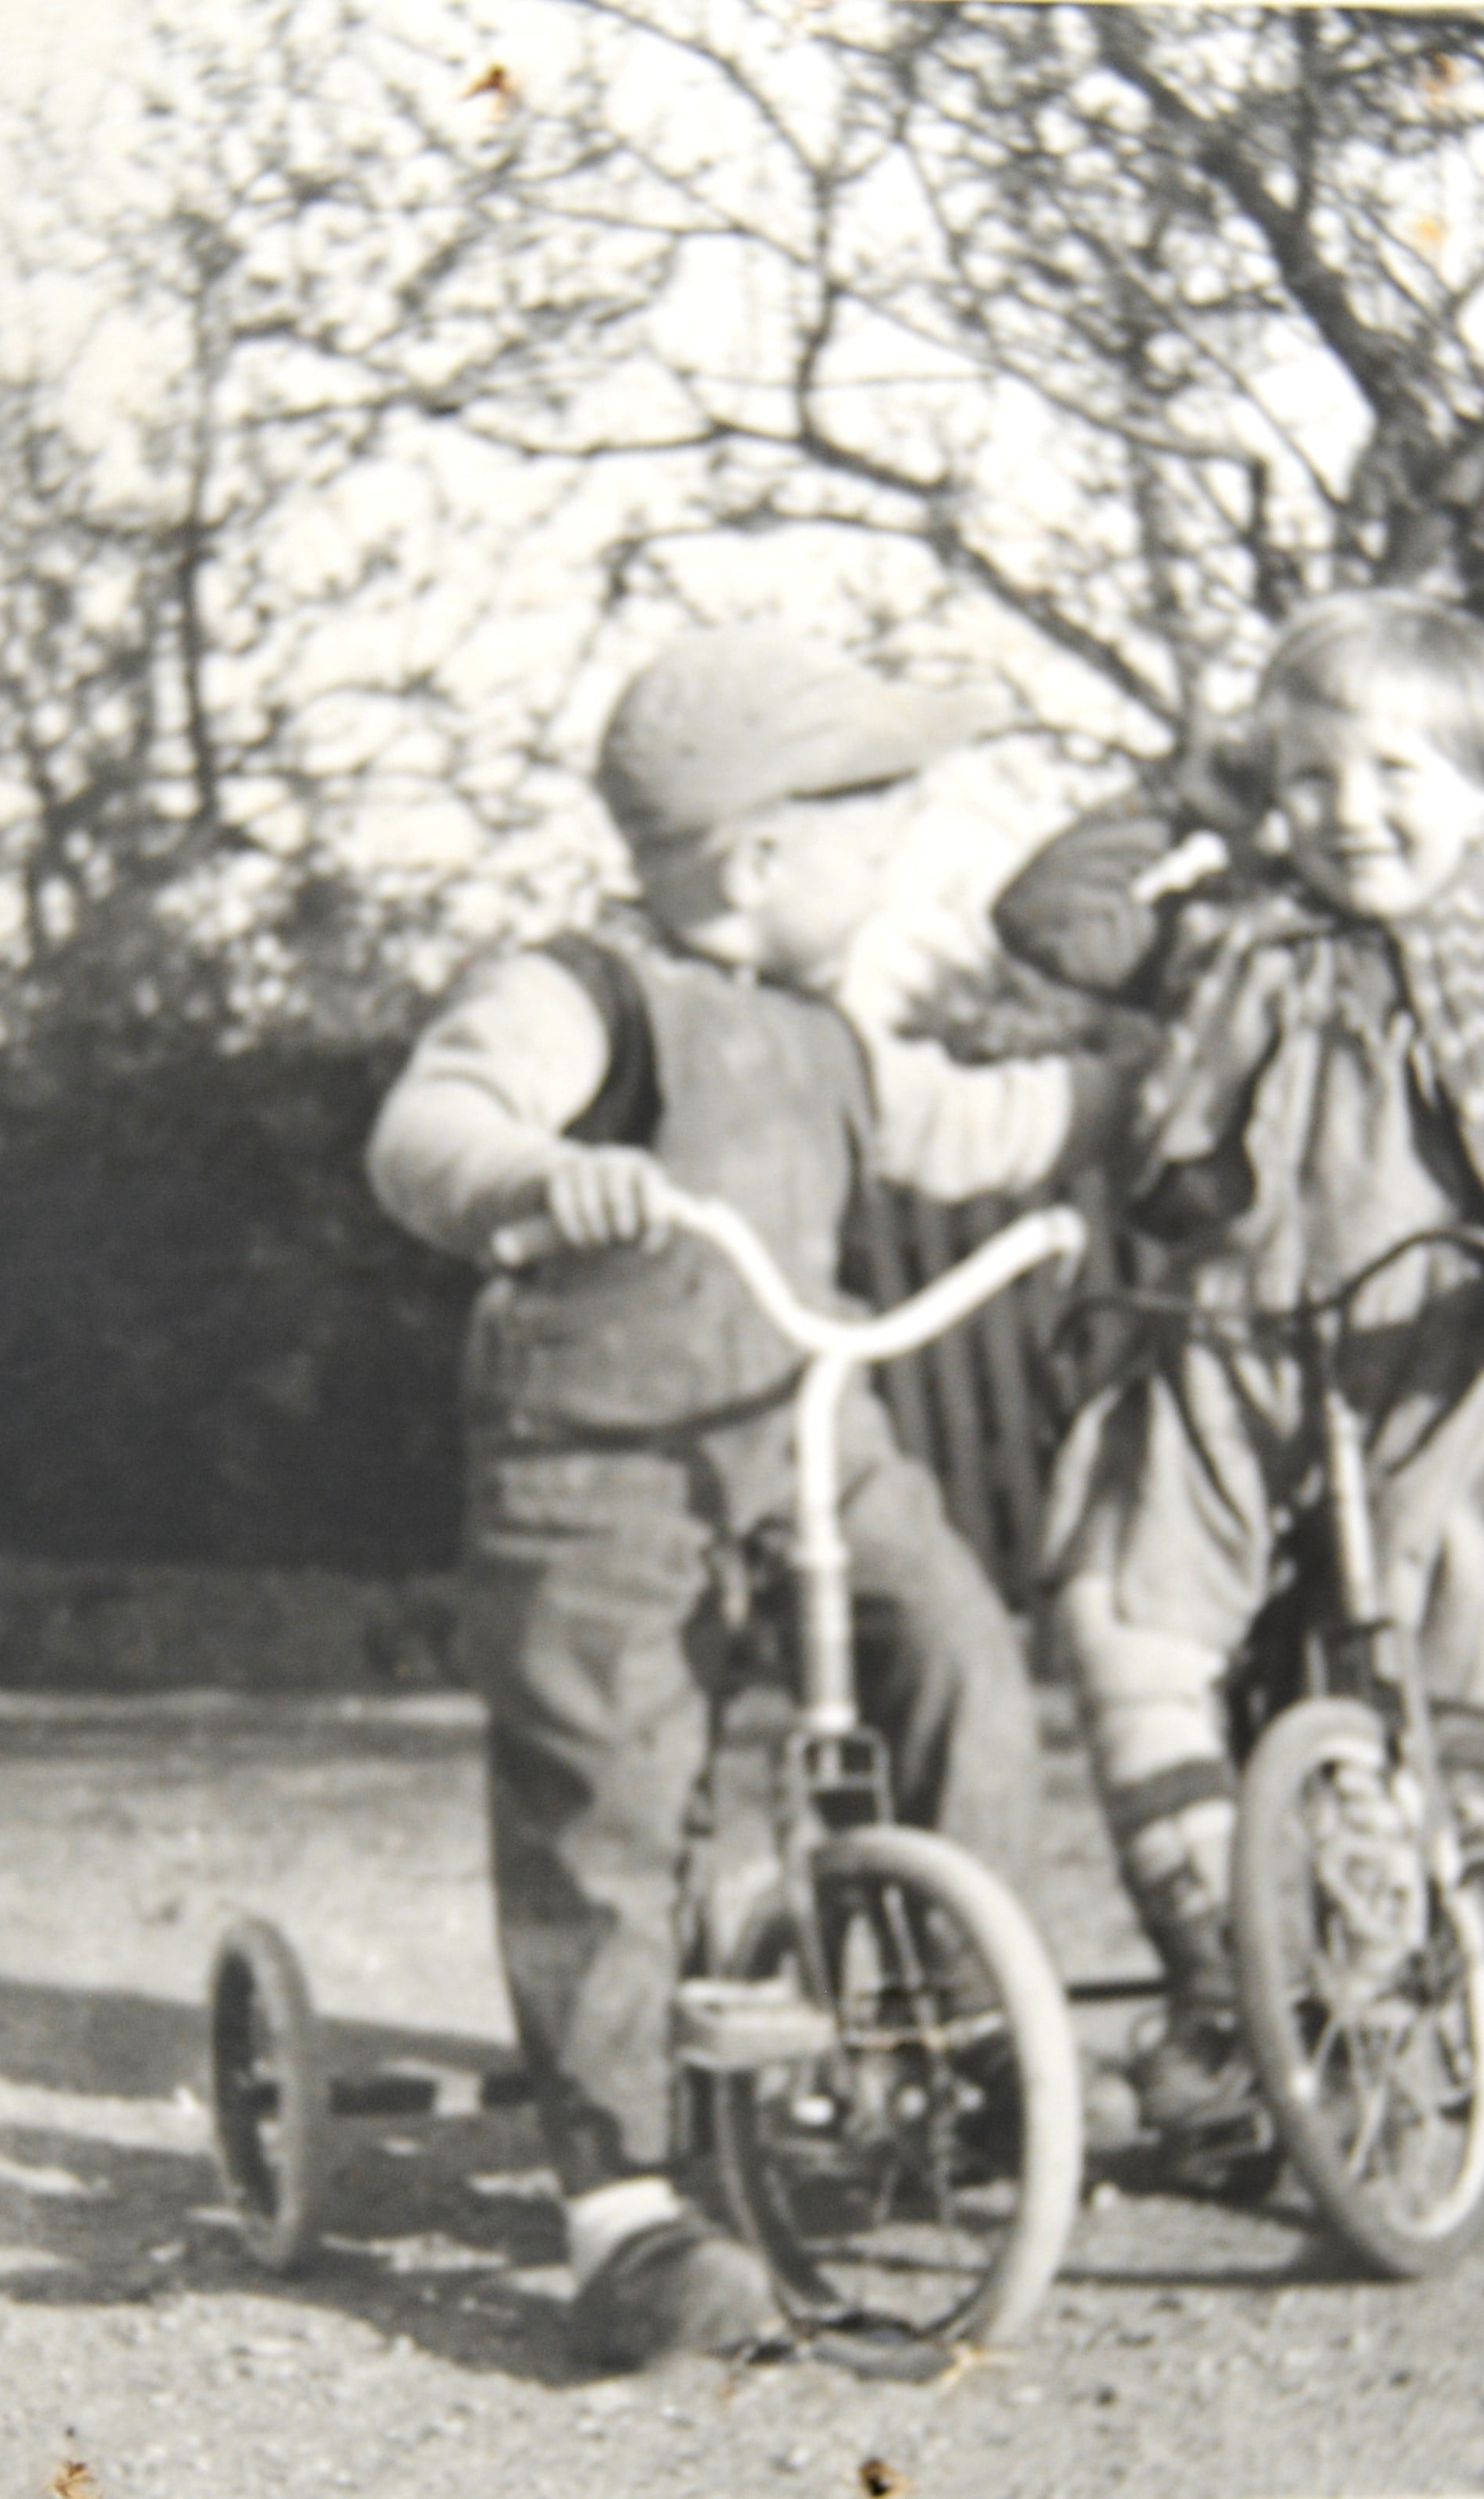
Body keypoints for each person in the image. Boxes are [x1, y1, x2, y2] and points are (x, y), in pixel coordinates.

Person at [367, 628, 1121, 2369]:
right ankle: (621, 2206)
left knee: (955, 1647)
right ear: (759, 856)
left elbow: (972, 1122)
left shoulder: (828, 1033)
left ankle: (943, 2029)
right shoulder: (578, 996)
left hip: (802, 1421)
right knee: (610, 1790)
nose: (893, 876)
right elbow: (430, 1128)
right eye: (875, 841)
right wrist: (548, 1170)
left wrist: (1134, 1096)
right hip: (603, 1457)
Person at [992, 589, 1484, 2177]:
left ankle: (1362, 1995)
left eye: (1397, 775)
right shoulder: (1226, 929)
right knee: (1134, 1631)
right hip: (1220, 1348)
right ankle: (1233, 1983)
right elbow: (1043, 916)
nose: (1347, 815)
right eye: (1311, 780)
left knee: (1353, 1689)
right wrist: (1192, 787)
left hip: (1418, 1355)